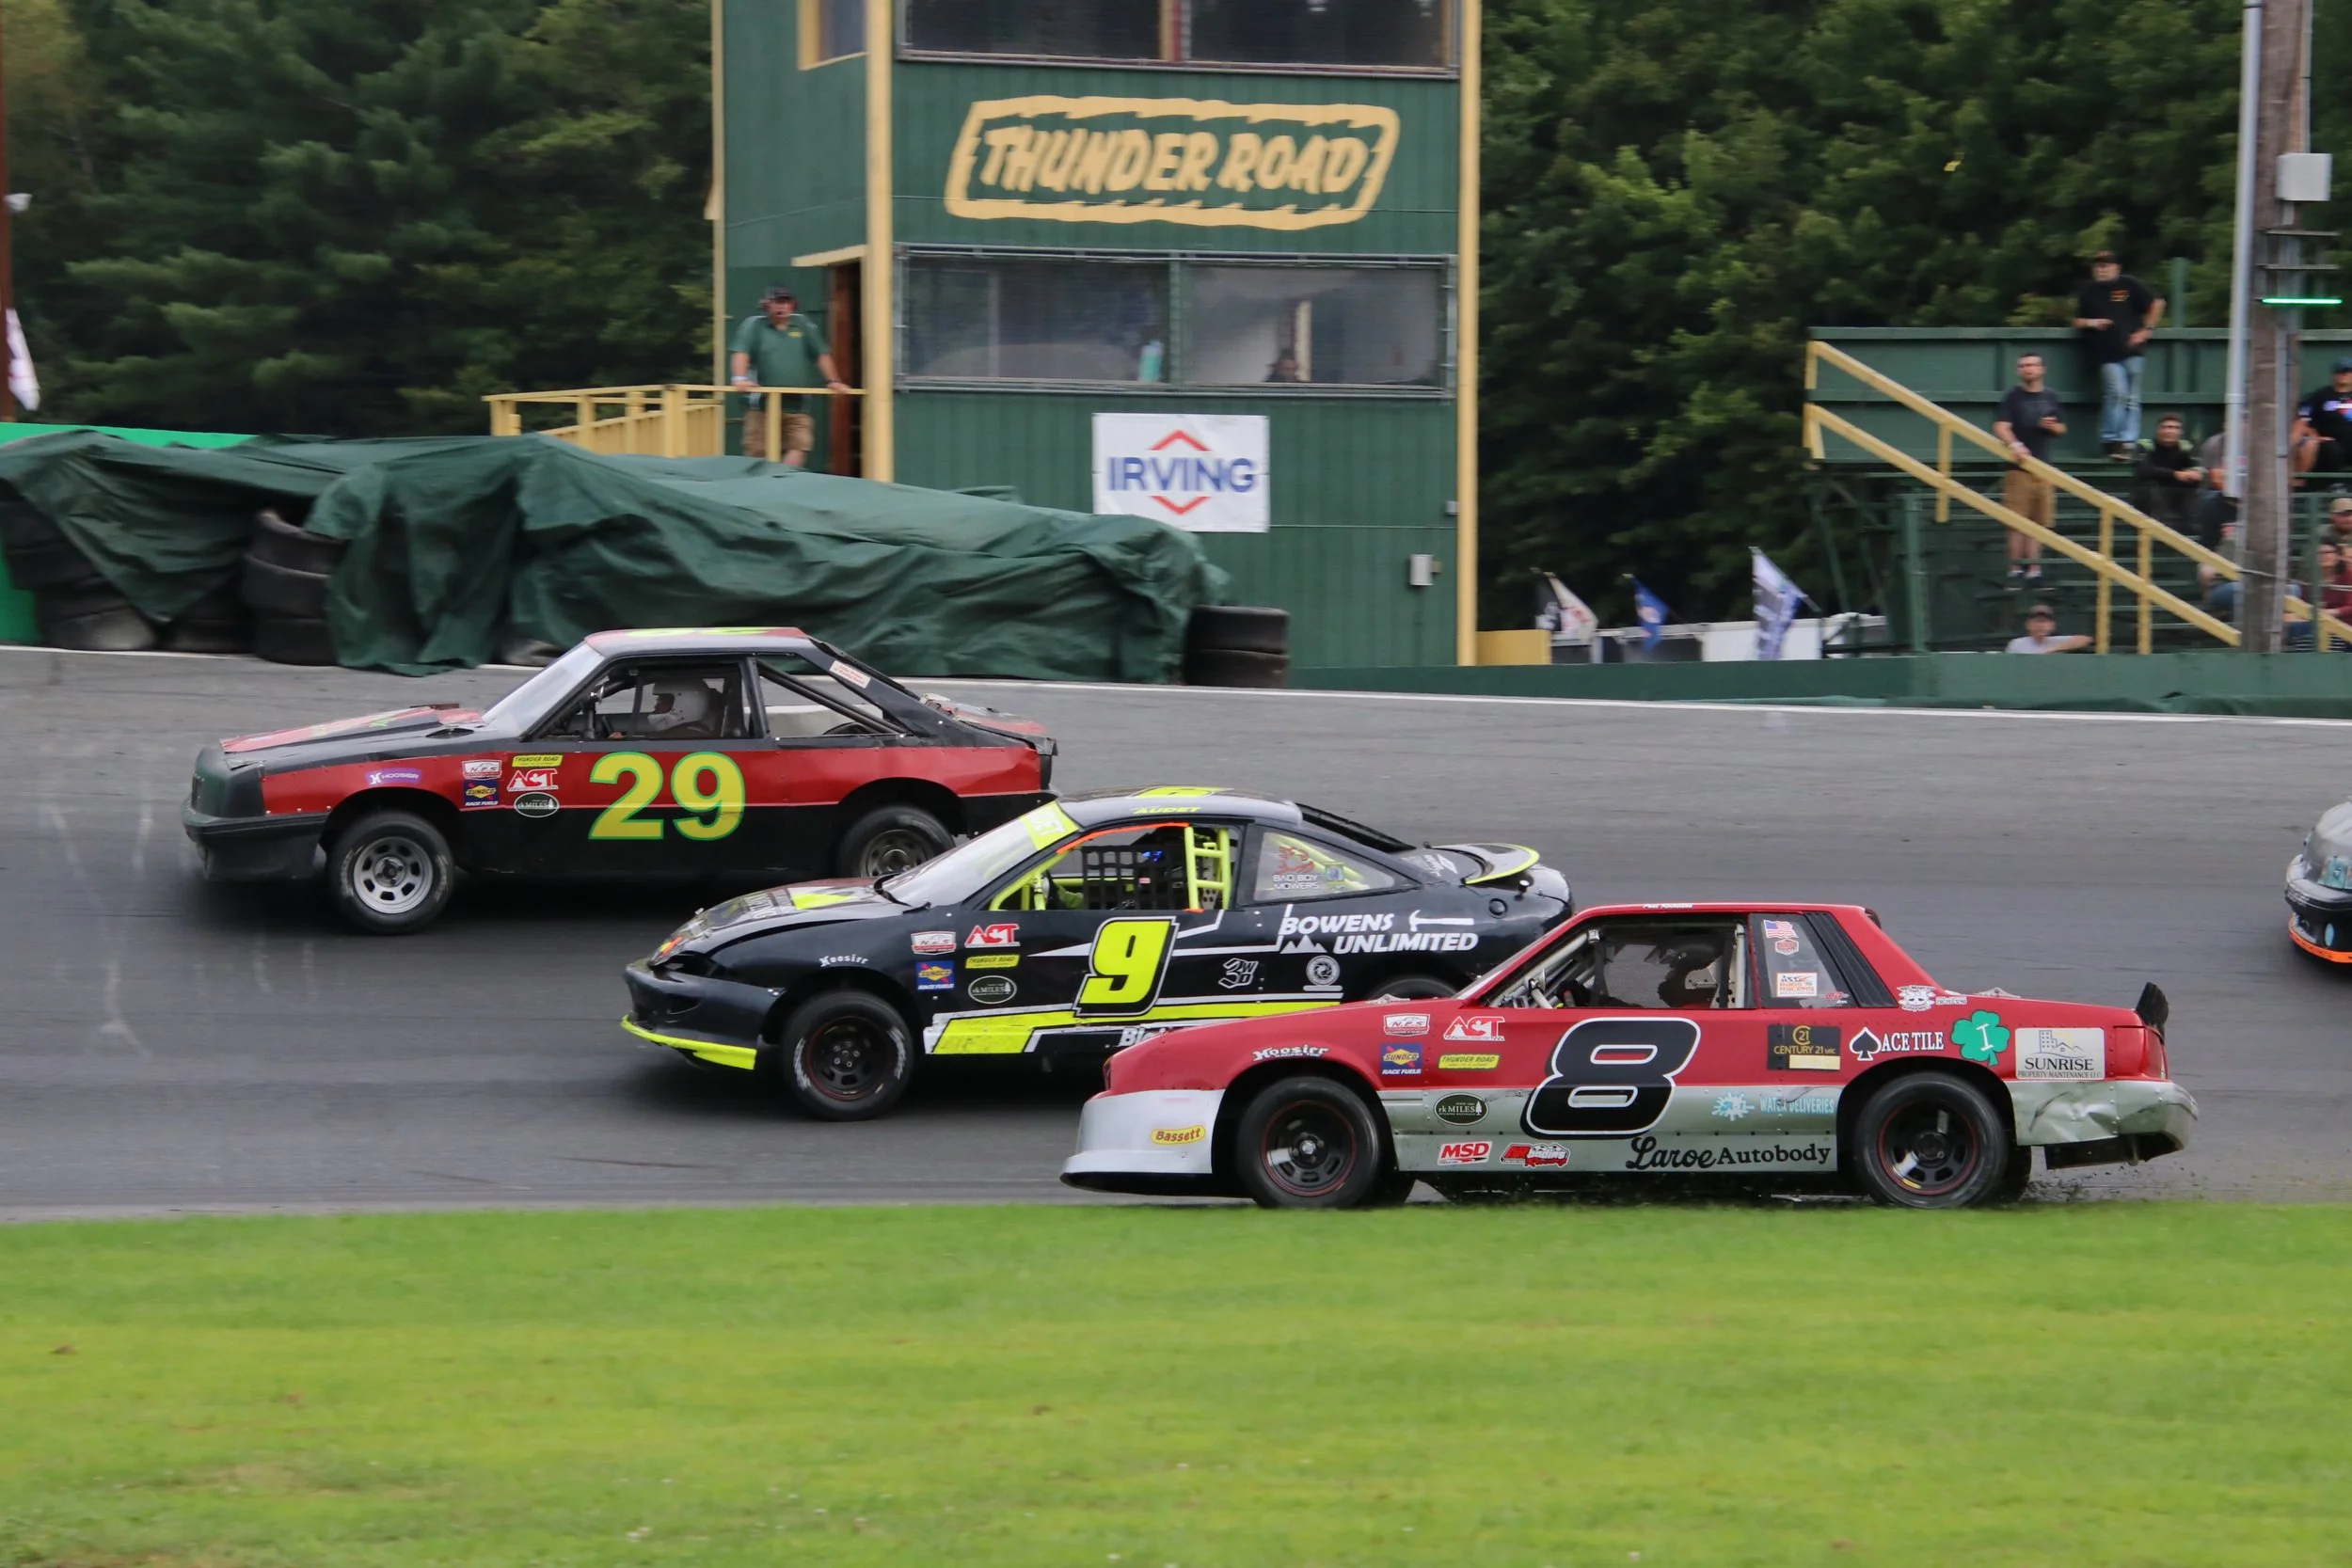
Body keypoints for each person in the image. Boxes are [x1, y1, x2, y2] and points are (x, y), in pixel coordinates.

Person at [728, 286, 850, 466]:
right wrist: (739, 379)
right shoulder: (754, 324)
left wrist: (833, 381)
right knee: (758, 450)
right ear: (767, 305)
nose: (782, 307)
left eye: (785, 302)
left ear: (792, 305)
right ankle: (762, 482)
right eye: (777, 302)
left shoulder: (803, 324)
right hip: (762, 404)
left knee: (800, 445)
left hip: (797, 404)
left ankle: (782, 478)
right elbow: (741, 352)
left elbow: (821, 354)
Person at [2072, 250, 2163, 458]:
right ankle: (2111, 438)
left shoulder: (2129, 285)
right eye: (2098, 266)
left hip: (2132, 349)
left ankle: (2128, 441)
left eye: (2106, 265)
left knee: (2132, 397)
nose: (2102, 269)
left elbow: (2157, 303)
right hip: (2105, 351)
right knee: (2117, 392)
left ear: (2116, 268)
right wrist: (2093, 323)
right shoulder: (2088, 291)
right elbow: (2077, 320)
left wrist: (2146, 330)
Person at [1992, 353, 2066, 588]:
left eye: (2032, 365)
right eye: (2023, 365)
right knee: (2016, 522)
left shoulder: (2051, 396)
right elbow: (2001, 426)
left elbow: (2062, 428)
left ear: (2042, 369)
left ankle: (2034, 571)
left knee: (2038, 522)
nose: (2028, 369)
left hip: (2044, 468)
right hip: (2019, 468)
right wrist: (2015, 445)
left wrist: (2052, 427)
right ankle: (2015, 571)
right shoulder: (2012, 396)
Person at [2132, 413, 2203, 531]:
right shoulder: (2145, 445)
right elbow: (2144, 470)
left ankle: (2194, 528)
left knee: (2197, 485)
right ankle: (2158, 529)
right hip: (2150, 496)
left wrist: (2195, 473)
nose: (2170, 431)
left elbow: (2196, 467)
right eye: (2166, 427)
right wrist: (2175, 474)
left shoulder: (2186, 447)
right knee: (2150, 485)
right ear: (2158, 430)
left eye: (2175, 428)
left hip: (2177, 494)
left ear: (2181, 432)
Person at [2293, 356, 2352, 479]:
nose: (2344, 374)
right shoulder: (2321, 395)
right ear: (2334, 375)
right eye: (2340, 371)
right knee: (2330, 449)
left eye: (2348, 371)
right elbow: (2303, 419)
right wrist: (2314, 435)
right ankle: (2332, 483)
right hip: (2330, 443)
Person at [2006, 604, 2090, 653]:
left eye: (2044, 622)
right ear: (2028, 625)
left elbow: (2085, 639)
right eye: (2037, 621)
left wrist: (2051, 649)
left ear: (2052, 625)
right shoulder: (2017, 643)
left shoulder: (2055, 641)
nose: (2040, 625)